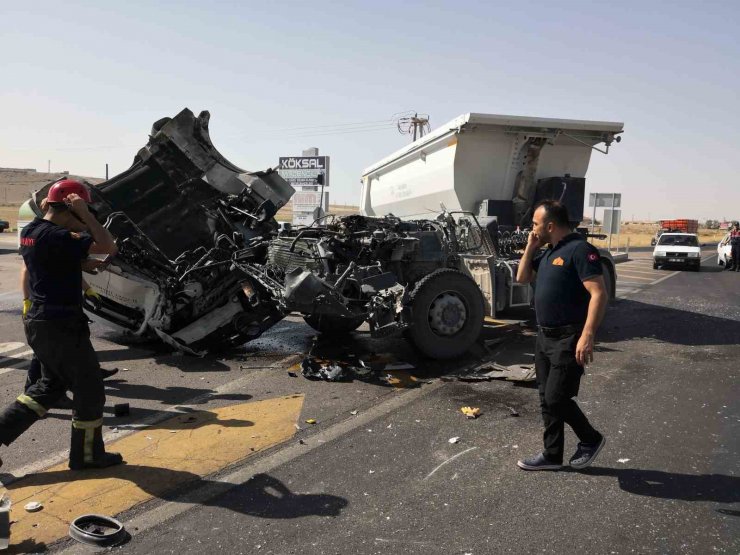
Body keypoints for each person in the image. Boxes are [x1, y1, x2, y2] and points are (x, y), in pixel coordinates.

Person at [0, 179, 123, 470]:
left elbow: (53, 262)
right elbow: (109, 246)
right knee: (90, 389)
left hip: (41, 321)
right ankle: (87, 456)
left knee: (48, 387)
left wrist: (85, 265)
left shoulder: (31, 232)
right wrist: (89, 216)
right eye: (81, 212)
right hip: (61, 324)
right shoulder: (59, 235)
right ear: (71, 208)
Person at [515, 200, 608, 471]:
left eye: (535, 224)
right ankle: (552, 455)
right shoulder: (547, 252)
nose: (532, 229)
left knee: (556, 398)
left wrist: (588, 335)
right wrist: (531, 246)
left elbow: (598, 293)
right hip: (544, 337)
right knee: (546, 397)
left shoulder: (580, 250)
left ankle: (590, 439)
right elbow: (522, 277)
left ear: (550, 225)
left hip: (569, 337)